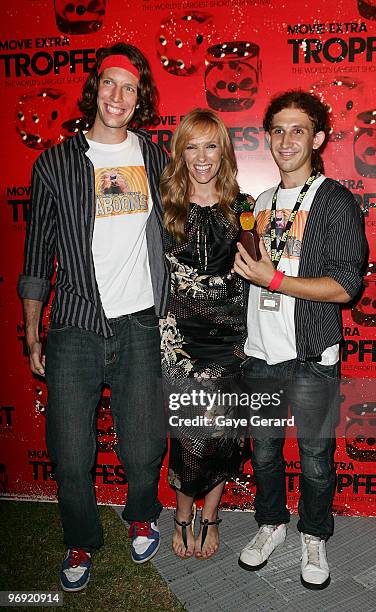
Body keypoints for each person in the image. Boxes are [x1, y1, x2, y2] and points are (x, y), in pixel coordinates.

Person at [17, 43, 169, 592]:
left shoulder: (155, 156)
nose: (118, 96)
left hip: (141, 324)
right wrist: (33, 332)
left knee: (144, 442)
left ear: (140, 100)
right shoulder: (55, 163)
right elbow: (37, 255)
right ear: (94, 89)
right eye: (110, 84)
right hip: (76, 326)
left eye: (130, 88)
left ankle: (142, 515)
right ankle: (80, 538)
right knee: (71, 449)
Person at [234, 90, 367, 589]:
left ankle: (315, 534)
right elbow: (253, 271)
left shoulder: (333, 200)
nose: (286, 140)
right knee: (265, 452)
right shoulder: (260, 203)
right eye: (277, 130)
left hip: (312, 353)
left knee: (314, 456)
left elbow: (345, 286)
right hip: (260, 353)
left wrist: (272, 279)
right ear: (267, 137)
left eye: (297, 130)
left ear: (317, 138)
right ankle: (271, 524)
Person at [160, 108, 253, 560]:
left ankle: (210, 516)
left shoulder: (244, 207)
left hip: (230, 338)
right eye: (192, 146)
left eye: (210, 145)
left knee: (223, 433)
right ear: (181, 152)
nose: (202, 156)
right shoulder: (163, 207)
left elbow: (263, 272)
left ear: (224, 151)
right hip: (179, 340)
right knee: (189, 435)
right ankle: (181, 516)